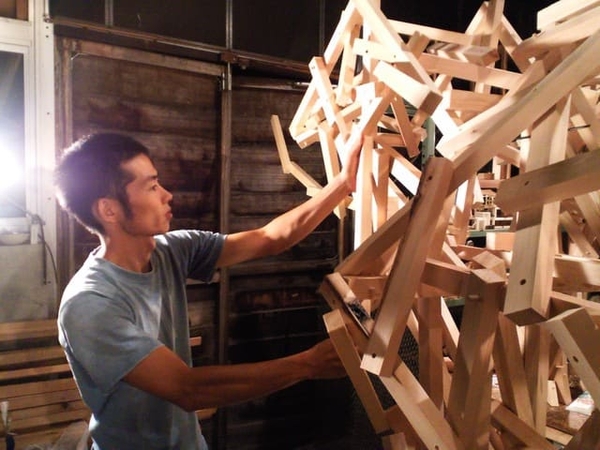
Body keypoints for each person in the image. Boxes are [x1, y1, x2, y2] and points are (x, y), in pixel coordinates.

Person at [54, 131, 363, 450]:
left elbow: (270, 238)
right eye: (152, 186)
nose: (167, 195)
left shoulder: (171, 250)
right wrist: (309, 364)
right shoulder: (89, 304)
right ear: (109, 210)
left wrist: (343, 182)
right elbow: (186, 389)